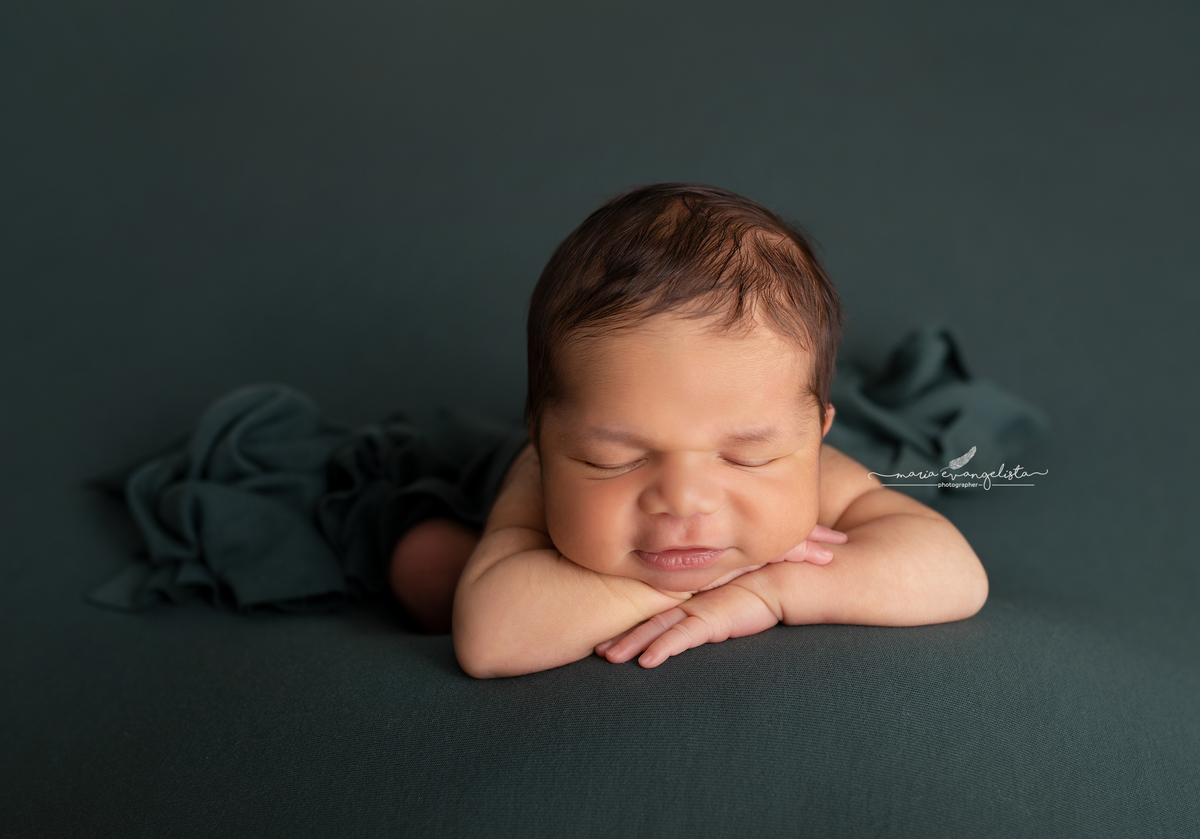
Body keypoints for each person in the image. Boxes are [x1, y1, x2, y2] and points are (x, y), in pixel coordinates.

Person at [389, 183, 988, 678]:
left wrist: (770, 592)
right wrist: (715, 576)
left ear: (817, 436)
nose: (683, 498)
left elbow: (955, 573)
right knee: (424, 566)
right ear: (545, 441)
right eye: (613, 458)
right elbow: (489, 641)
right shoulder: (533, 471)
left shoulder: (822, 474)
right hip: (484, 497)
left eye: (745, 457)